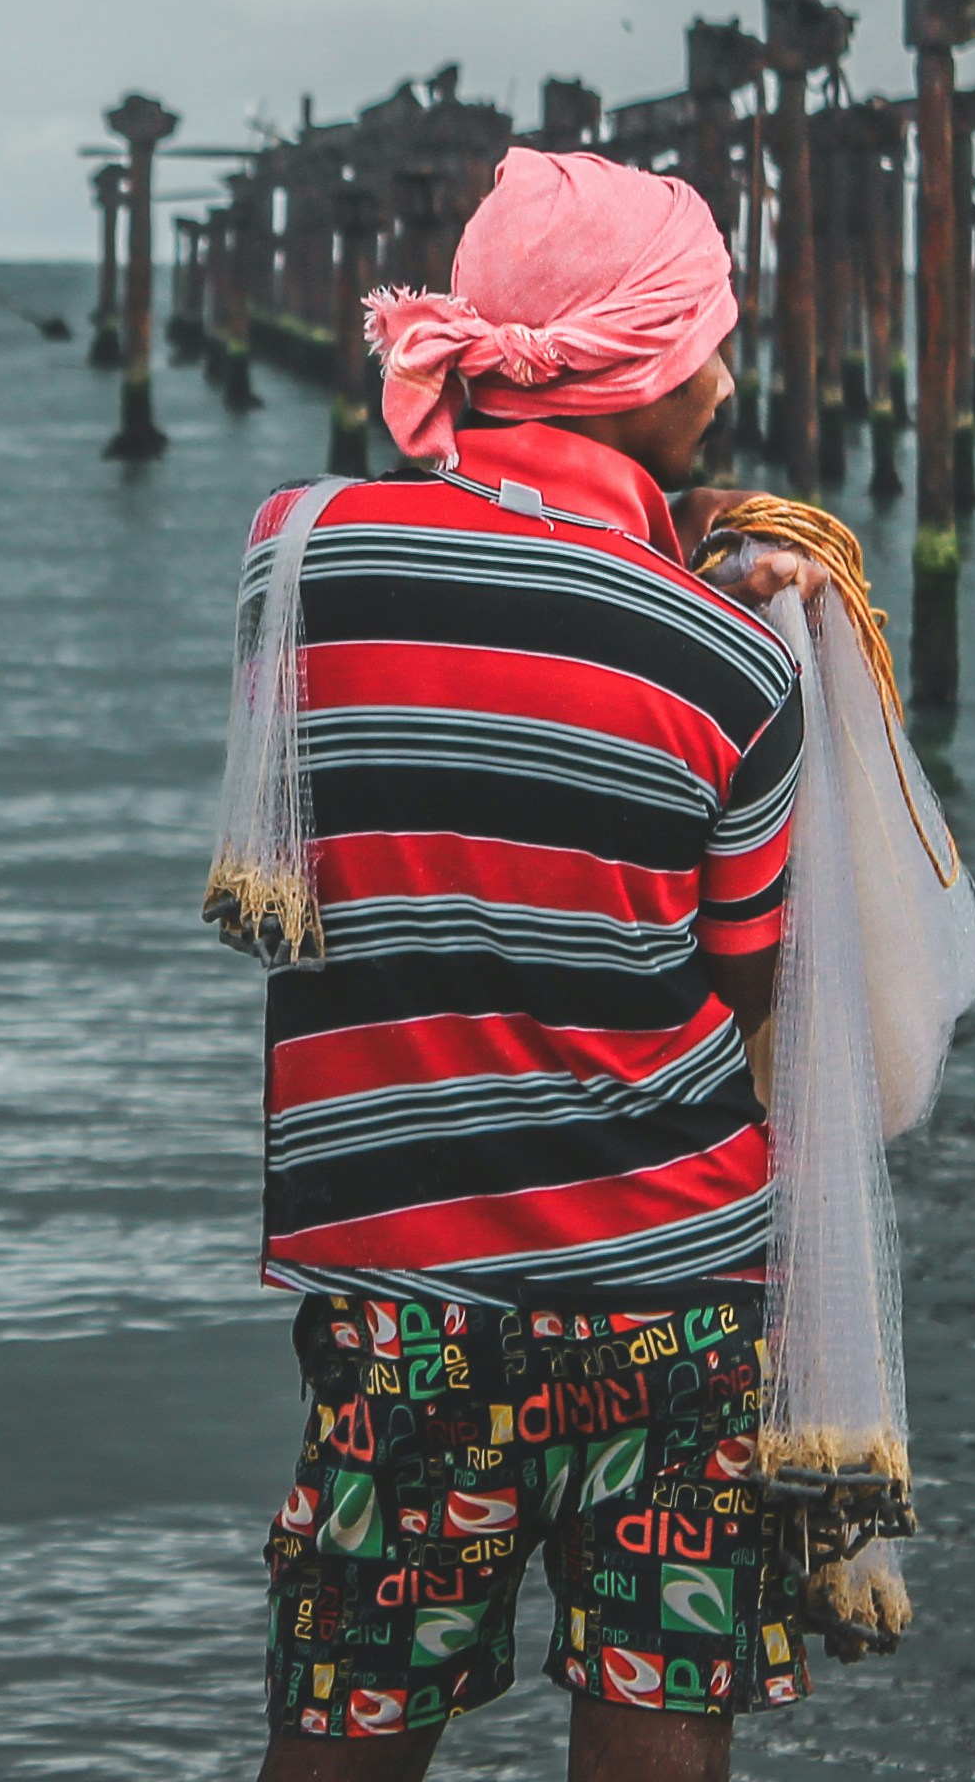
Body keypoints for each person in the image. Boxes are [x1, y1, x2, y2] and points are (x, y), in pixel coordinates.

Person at [236, 149, 814, 1782]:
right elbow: (747, 984)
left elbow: (338, 842)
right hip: (673, 1280)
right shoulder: (734, 654)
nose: (725, 376)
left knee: (348, 1724)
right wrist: (679, 580)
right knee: (654, 1726)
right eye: (705, 341)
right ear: (636, 378)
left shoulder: (298, 558)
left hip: (400, 1287)